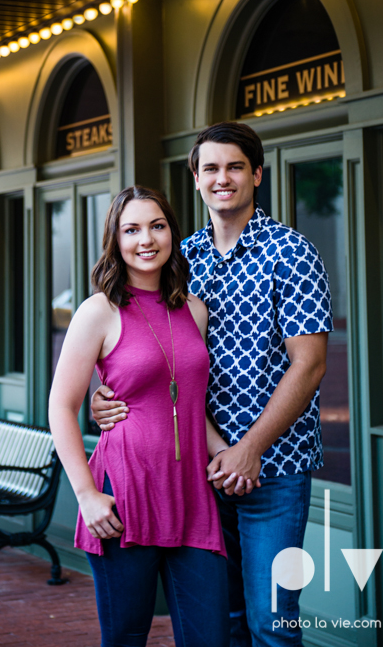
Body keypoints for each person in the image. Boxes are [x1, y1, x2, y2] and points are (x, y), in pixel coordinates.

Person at [92, 123, 331, 647]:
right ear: (196, 179)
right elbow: (148, 350)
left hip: (274, 468)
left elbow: (309, 366)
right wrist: (106, 394)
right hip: (197, 472)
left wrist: (250, 450)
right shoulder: (181, 258)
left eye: (235, 167)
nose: (223, 179)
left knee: (270, 622)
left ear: (257, 175)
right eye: (211, 169)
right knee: (220, 621)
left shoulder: (293, 252)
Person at [49, 185, 241, 647]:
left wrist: (228, 454)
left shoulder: (194, 310)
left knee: (210, 638)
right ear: (115, 240)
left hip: (192, 496)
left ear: (172, 232)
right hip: (124, 495)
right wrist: (87, 496)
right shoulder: (99, 310)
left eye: (156, 226)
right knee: (127, 638)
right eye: (131, 229)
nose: (146, 239)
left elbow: (188, 403)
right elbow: (61, 406)